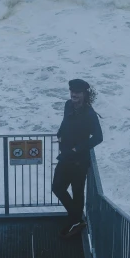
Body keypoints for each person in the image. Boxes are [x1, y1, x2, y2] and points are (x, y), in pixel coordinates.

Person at [52, 78, 103, 238]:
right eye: (72, 91)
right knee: (57, 188)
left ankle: (75, 221)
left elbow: (98, 137)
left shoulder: (89, 114)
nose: (74, 94)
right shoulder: (68, 105)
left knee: (77, 192)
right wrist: (60, 133)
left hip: (80, 160)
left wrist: (77, 148)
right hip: (66, 156)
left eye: (77, 92)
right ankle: (76, 219)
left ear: (84, 94)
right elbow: (65, 121)